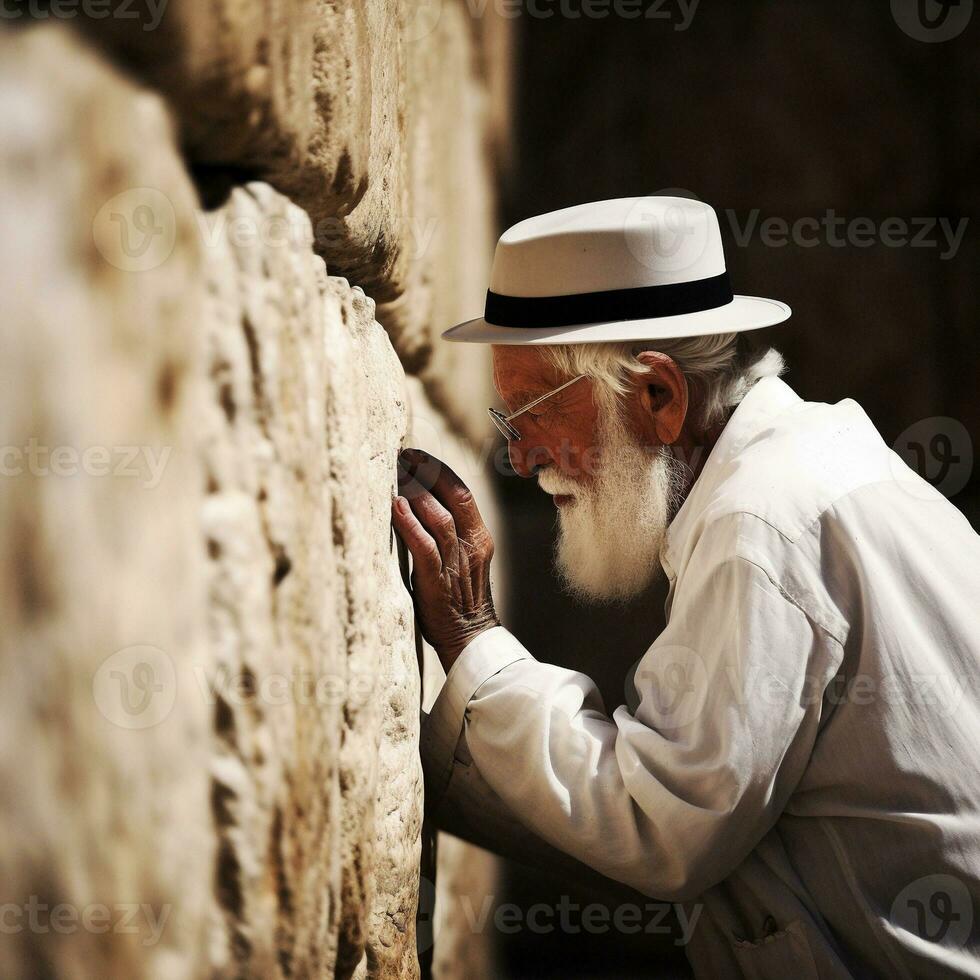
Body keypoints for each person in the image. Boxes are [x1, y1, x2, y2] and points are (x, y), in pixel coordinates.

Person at [391, 198, 980, 979]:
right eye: (508, 418)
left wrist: (473, 642)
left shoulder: (760, 530)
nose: (522, 455)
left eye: (532, 411)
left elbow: (663, 825)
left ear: (658, 397)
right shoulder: (808, 464)